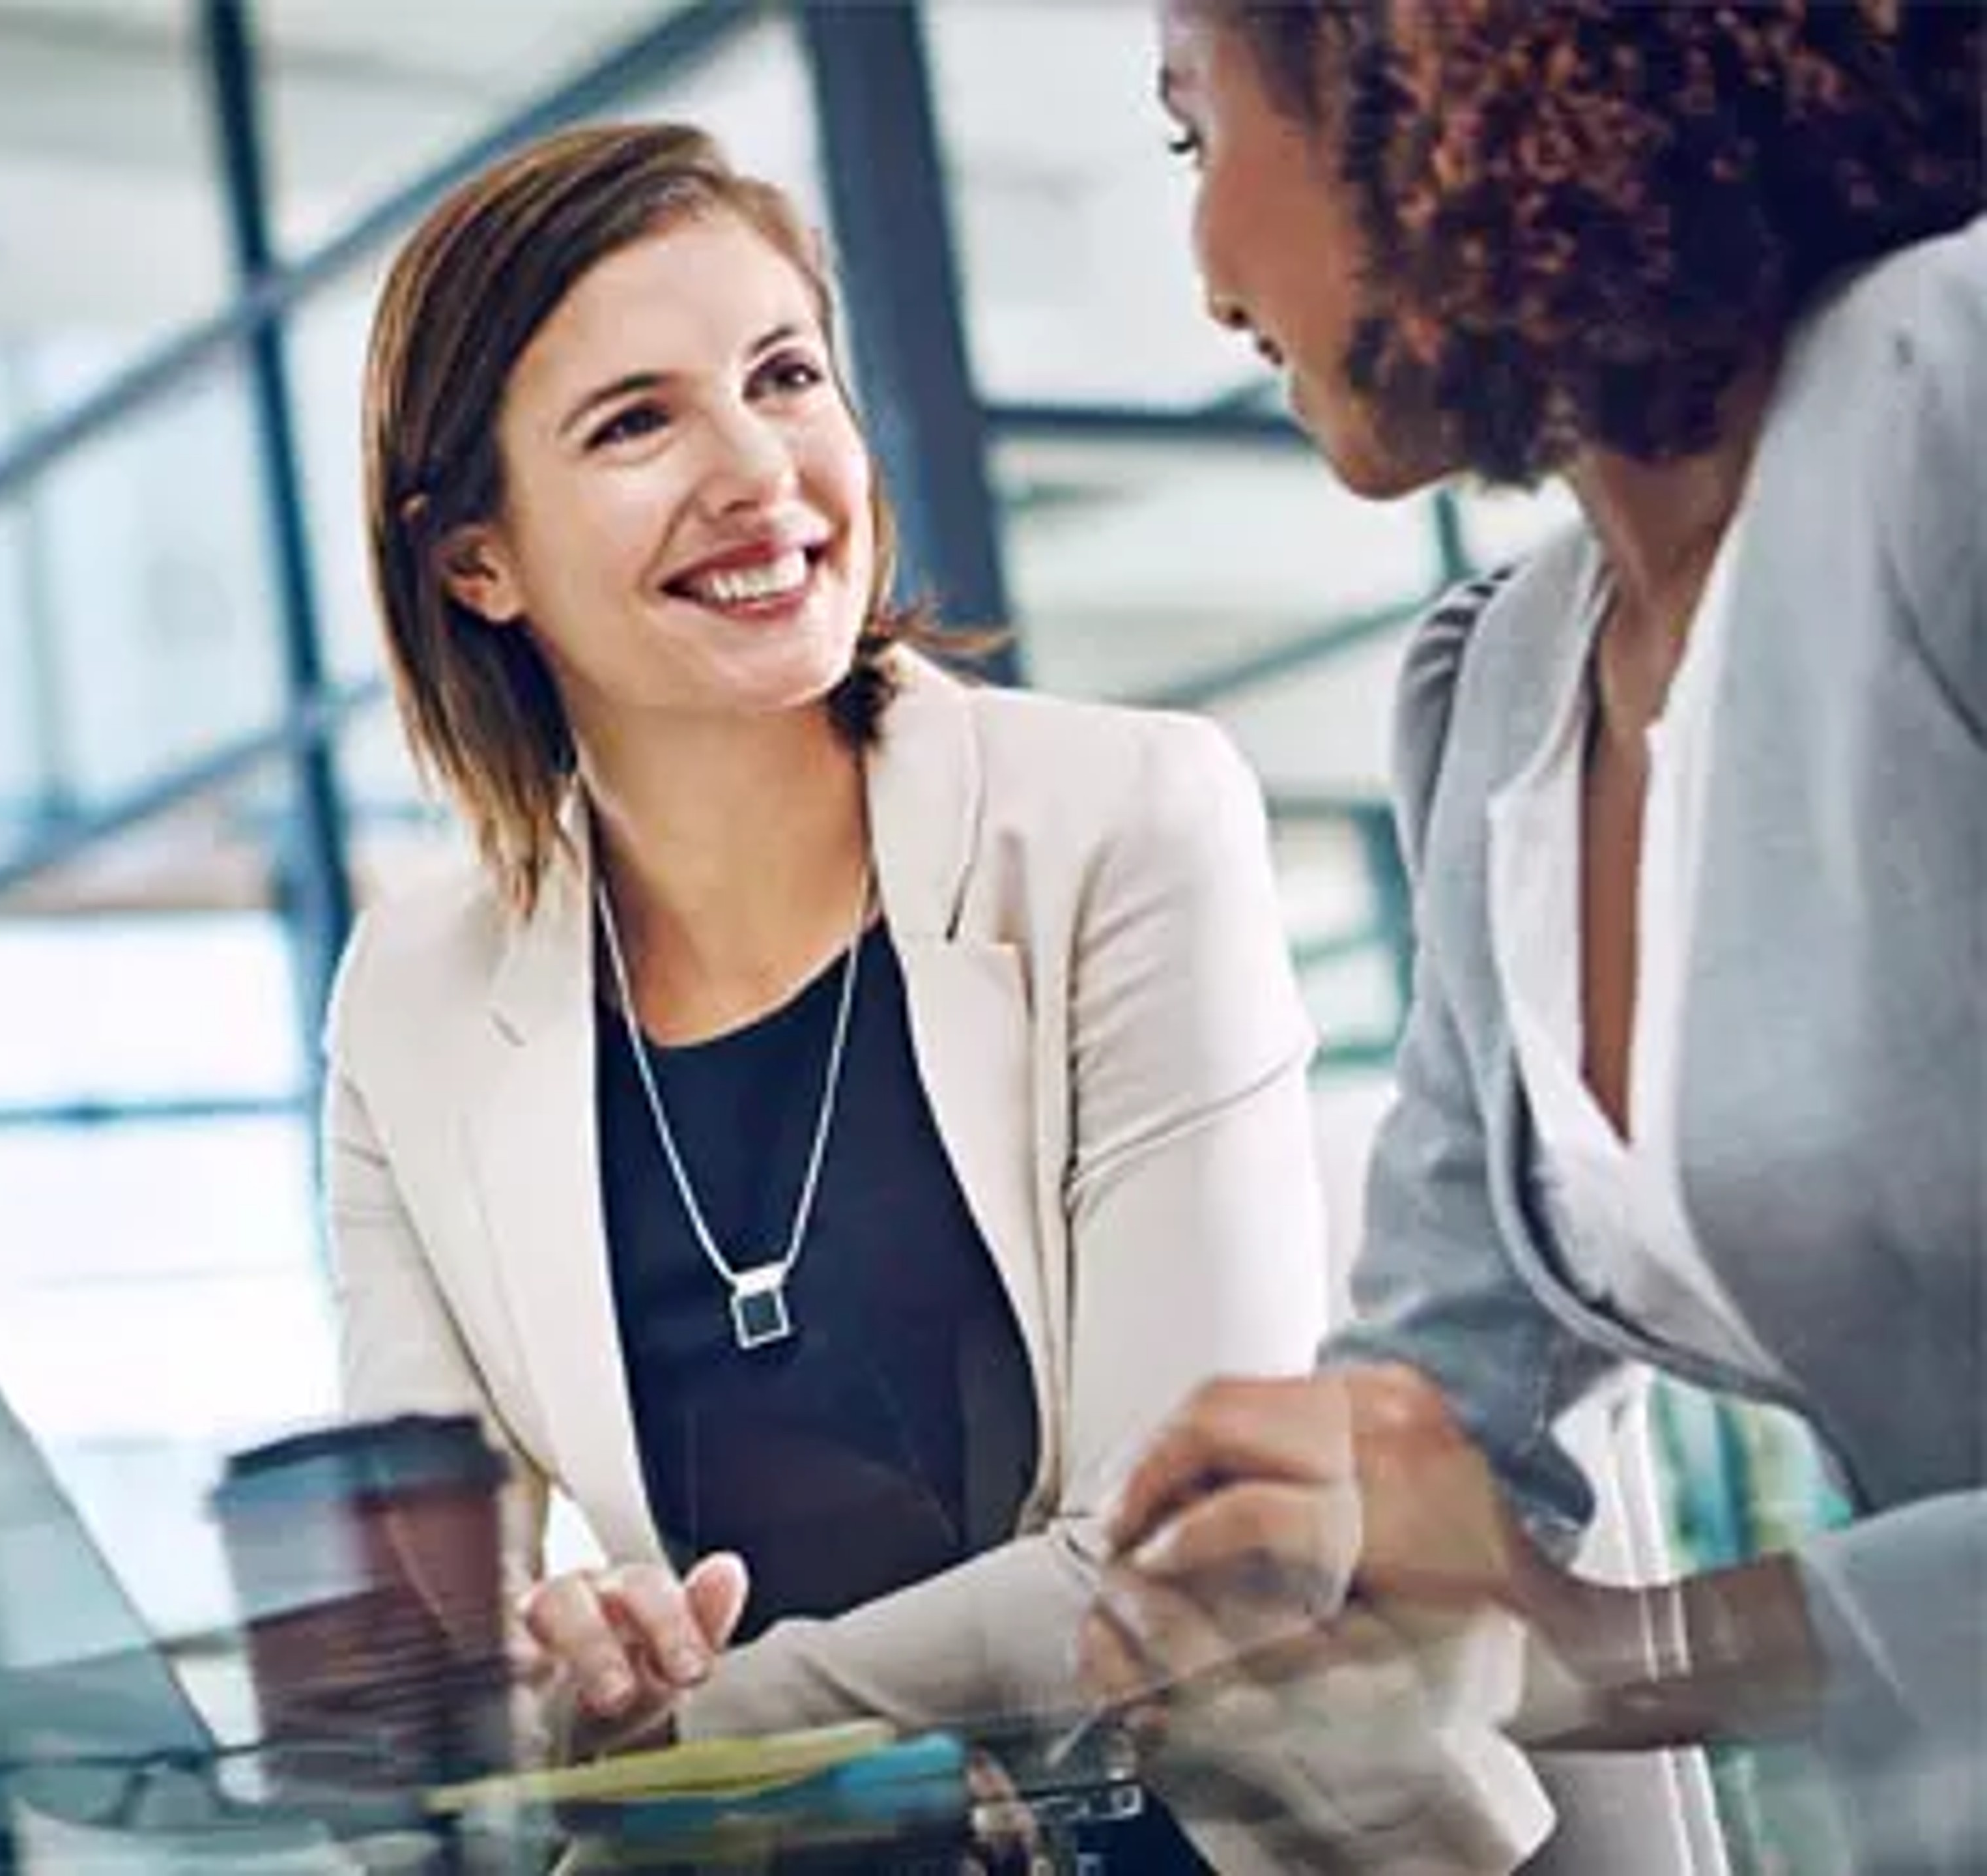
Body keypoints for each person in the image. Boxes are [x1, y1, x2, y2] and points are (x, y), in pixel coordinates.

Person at [324, 121, 1543, 1869]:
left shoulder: (1125, 816)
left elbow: (1188, 1557)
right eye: (637, 422)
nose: (758, 467)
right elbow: (424, 1679)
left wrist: (691, 1732)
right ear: (476, 564)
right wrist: (556, 1687)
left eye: (786, 375)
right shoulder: (415, 1005)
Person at [1089, 3, 1984, 1869]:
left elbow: (1563, 1636)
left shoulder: (1952, 399)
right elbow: (1434, 1413)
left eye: (1197, 140)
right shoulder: (1507, 686)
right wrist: (1286, 1576)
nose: (1201, 275)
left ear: (1413, 82)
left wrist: (1618, 1652)